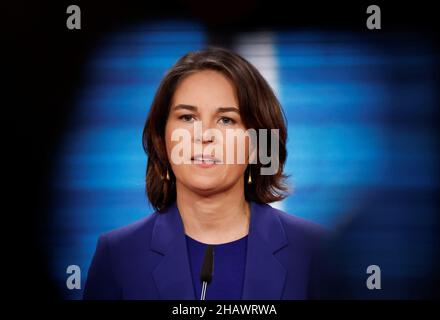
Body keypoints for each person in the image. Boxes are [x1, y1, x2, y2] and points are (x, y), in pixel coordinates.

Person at [83, 47, 326, 300]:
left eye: (226, 120)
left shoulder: (315, 251)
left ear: (258, 143)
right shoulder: (118, 255)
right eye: (187, 117)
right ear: (161, 139)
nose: (204, 135)